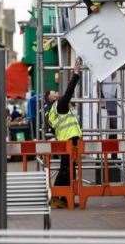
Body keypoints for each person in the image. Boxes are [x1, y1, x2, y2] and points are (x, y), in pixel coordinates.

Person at [47, 58, 83, 208]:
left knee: (66, 169)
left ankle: (60, 197)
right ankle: (60, 197)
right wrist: (75, 74)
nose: (57, 93)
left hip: (66, 140)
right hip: (70, 139)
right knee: (67, 169)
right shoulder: (60, 105)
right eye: (54, 92)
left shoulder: (53, 111)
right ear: (50, 98)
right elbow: (69, 92)